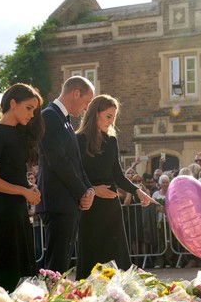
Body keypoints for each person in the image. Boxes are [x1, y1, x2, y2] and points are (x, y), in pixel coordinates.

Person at [75, 95, 152, 278]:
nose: (111, 122)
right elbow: (76, 173)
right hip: (90, 205)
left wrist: (137, 191)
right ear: (95, 114)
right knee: (92, 255)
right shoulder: (78, 140)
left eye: (113, 117)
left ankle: (120, 295)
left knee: (115, 253)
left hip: (111, 208)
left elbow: (117, 174)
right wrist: (93, 189)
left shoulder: (111, 141)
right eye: (108, 116)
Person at [0, 83, 44, 292]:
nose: (32, 114)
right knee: (6, 263)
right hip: (2, 207)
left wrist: (29, 188)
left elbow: (14, 173)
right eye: (28, 108)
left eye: (34, 110)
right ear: (12, 103)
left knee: (23, 264)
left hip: (18, 206)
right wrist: (24, 191)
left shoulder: (20, 134)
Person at [36, 76, 95, 274]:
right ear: (75, 93)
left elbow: (76, 163)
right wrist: (81, 192)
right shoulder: (49, 117)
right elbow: (58, 161)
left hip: (68, 202)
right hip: (57, 201)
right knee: (55, 265)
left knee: (61, 263)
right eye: (87, 101)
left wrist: (89, 189)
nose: (87, 108)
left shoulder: (66, 122)